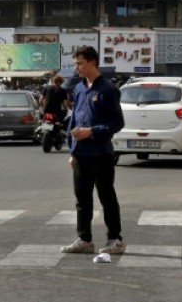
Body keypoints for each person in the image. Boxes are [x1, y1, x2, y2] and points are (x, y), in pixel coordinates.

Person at [60, 46, 126, 256]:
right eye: (76, 63)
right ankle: (84, 239)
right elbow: (74, 120)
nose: (77, 68)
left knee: (106, 197)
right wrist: (72, 152)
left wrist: (92, 131)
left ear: (93, 62)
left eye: (80, 63)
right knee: (82, 199)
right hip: (81, 154)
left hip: (101, 153)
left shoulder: (107, 89)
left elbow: (117, 123)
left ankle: (115, 239)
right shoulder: (79, 88)